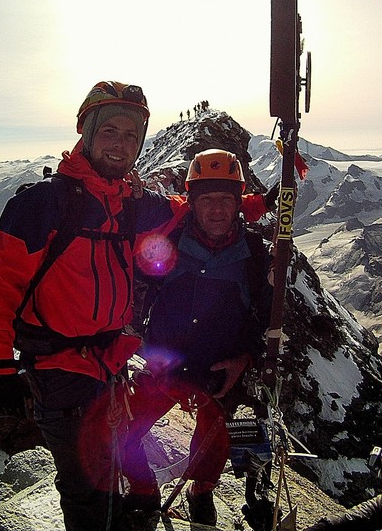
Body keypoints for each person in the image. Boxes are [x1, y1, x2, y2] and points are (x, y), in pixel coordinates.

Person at [0, 82, 269, 531]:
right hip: (59, 369)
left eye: (131, 135)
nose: (121, 143)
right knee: (87, 486)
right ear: (86, 133)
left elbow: (195, 207)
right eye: (110, 131)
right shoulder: (42, 204)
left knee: (106, 471)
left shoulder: (134, 206)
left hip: (109, 364)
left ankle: (135, 510)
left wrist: (256, 204)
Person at [121, 149, 273, 528]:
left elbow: (267, 320)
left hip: (216, 372)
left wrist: (245, 359)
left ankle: (201, 491)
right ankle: (143, 488)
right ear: (192, 202)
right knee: (121, 429)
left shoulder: (255, 255)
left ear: (239, 203)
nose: (217, 210)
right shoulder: (167, 240)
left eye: (225, 200)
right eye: (207, 200)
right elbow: (132, 290)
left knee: (215, 441)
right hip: (163, 366)